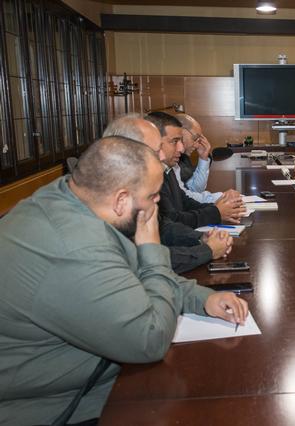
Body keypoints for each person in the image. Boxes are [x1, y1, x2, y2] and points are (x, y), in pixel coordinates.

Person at [0, 136, 248, 425]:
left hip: (99, 380)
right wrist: (151, 246)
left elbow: (133, 271)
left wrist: (202, 298)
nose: (158, 204)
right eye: (153, 196)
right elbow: (151, 340)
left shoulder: (77, 201)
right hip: (64, 407)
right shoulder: (73, 245)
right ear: (121, 200)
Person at [103, 113, 233, 273]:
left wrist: (199, 238)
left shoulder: (133, 184)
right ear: (126, 152)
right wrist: (207, 250)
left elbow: (163, 226)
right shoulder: (112, 197)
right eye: (155, 150)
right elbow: (144, 260)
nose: (163, 156)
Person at [145, 111, 245, 227]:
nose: (181, 148)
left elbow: (185, 200)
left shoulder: (169, 168)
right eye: (175, 141)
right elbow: (172, 220)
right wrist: (216, 211)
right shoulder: (152, 174)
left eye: (180, 141)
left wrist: (218, 209)